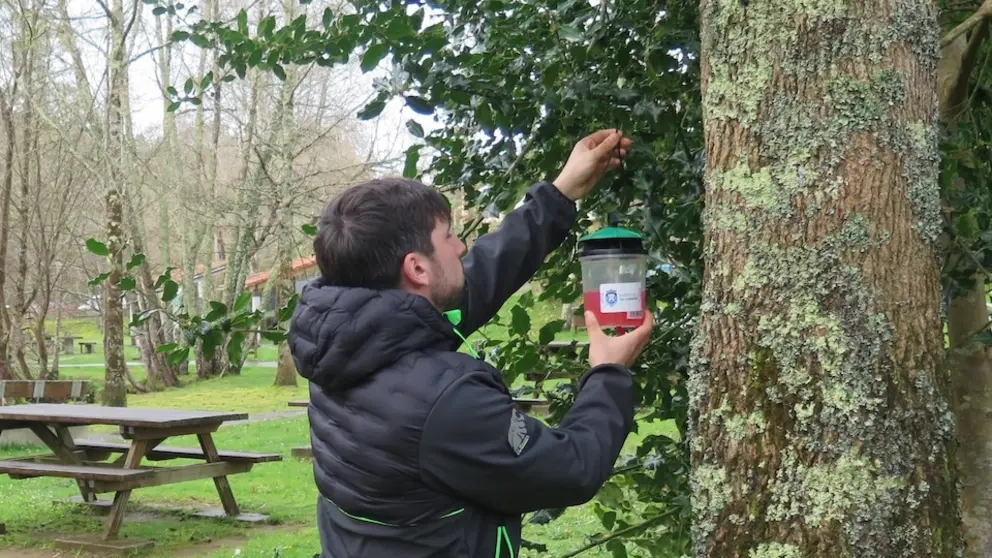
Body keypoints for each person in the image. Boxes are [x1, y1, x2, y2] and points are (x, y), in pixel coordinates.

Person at [288, 128, 653, 558]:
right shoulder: (445, 405)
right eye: (448, 237)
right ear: (417, 269)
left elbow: (471, 283)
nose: (461, 246)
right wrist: (608, 374)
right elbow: (570, 468)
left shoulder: (342, 341)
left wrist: (559, 193)